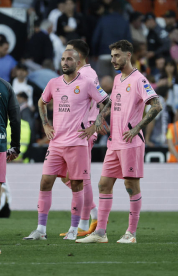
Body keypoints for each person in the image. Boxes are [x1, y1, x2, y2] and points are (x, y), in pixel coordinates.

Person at [76, 40, 162, 244]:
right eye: (112, 55)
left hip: (130, 142)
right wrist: (100, 117)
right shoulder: (117, 79)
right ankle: (100, 233)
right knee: (104, 184)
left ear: (128, 55)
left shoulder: (139, 79)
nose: (113, 59)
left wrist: (137, 128)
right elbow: (113, 102)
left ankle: (131, 233)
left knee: (131, 186)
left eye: (117, 55)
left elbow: (156, 106)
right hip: (114, 142)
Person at [23, 48, 109, 241]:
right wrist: (46, 123)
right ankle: (40, 229)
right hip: (56, 143)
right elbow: (41, 102)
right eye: (62, 59)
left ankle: (73, 229)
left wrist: (95, 125)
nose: (64, 62)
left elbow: (106, 101)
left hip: (77, 143)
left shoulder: (87, 83)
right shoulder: (54, 83)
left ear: (77, 62)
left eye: (69, 59)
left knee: (77, 184)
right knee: (45, 181)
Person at [59, 39, 102, 237]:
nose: (66, 57)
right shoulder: (83, 74)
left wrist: (95, 122)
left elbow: (102, 98)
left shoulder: (86, 74)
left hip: (81, 133)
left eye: (70, 53)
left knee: (80, 177)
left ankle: (87, 222)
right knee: (68, 175)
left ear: (79, 55)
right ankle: (92, 213)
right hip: (71, 134)